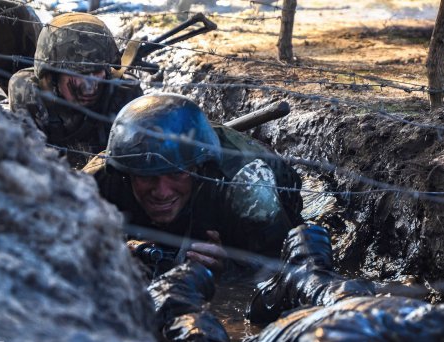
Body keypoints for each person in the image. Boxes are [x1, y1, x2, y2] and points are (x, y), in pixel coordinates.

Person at [151, 224, 444, 342]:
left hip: (383, 315)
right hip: (340, 339)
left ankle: (304, 262)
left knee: (326, 287)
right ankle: (177, 289)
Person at [82, 93, 303, 279]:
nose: (162, 192)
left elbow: (286, 271)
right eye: (146, 177)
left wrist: (230, 269)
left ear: (200, 169)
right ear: (127, 173)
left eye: (177, 174)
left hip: (258, 210)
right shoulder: (106, 172)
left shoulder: (248, 185)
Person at [8, 12, 143, 169]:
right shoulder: (28, 93)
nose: (90, 86)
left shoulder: (124, 91)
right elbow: (26, 164)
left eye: (97, 71)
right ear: (53, 75)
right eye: (80, 74)